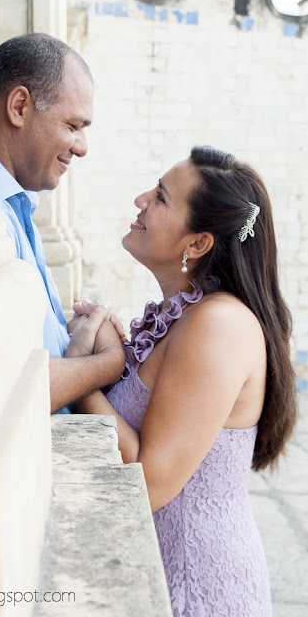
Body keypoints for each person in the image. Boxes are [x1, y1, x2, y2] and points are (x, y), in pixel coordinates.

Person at [70, 146, 297, 616]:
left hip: (194, 586)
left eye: (160, 197)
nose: (140, 200)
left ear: (197, 244)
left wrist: (81, 375)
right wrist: (110, 355)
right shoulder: (188, 317)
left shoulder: (218, 326)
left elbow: (149, 483)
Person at [0, 33, 125, 413]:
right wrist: (107, 362)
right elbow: (12, 387)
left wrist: (77, 342)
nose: (82, 147)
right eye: (73, 125)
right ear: (19, 107)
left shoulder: (17, 207)